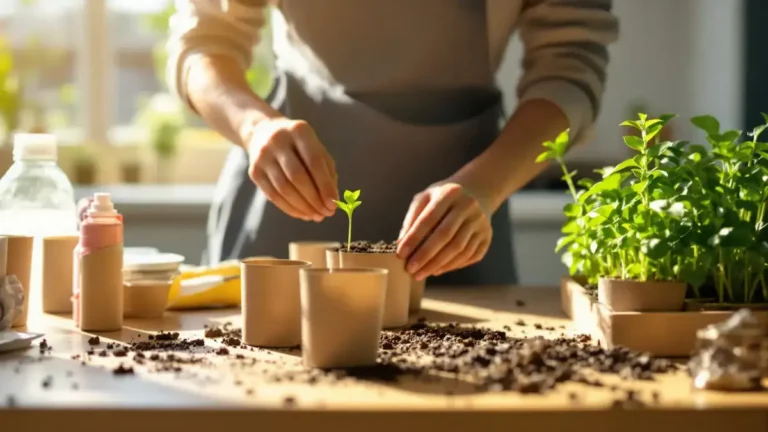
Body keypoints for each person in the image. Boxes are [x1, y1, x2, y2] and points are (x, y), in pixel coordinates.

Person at [166, 0, 619, 285]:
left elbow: (569, 70)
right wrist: (255, 127)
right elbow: (204, 42)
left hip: (463, 214)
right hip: (283, 204)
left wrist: (486, 186)